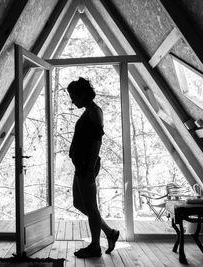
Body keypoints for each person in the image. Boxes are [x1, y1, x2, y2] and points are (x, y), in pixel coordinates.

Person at [67, 77, 119, 258]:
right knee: (79, 203)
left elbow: (97, 142)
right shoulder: (88, 111)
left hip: (87, 166)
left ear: (83, 95)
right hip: (81, 165)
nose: (72, 101)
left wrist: (89, 168)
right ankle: (110, 233)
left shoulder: (95, 112)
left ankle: (95, 247)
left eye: (74, 96)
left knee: (90, 206)